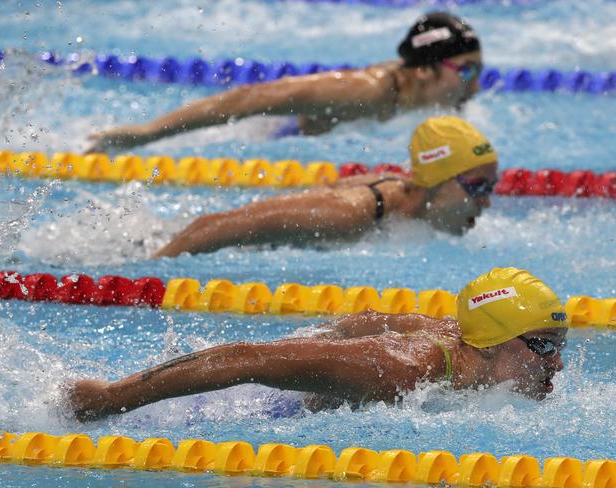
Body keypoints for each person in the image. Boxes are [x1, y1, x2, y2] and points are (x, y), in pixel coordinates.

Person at [66, 267, 568, 421]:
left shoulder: (463, 339)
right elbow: (246, 360)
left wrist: (317, 340)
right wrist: (110, 398)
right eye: (544, 348)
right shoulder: (403, 370)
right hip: (258, 413)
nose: (558, 364)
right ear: (494, 341)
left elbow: (370, 318)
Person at [85, 12, 483, 152]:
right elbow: (250, 98)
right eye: (466, 72)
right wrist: (147, 133)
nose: (475, 88)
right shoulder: (365, 89)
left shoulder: (426, 93)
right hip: (272, 138)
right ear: (425, 69)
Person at [152, 115, 498, 257]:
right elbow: (210, 228)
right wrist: (150, 266)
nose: (485, 204)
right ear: (436, 182)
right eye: (477, 188)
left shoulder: (405, 206)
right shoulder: (348, 214)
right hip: (167, 242)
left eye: (490, 188)